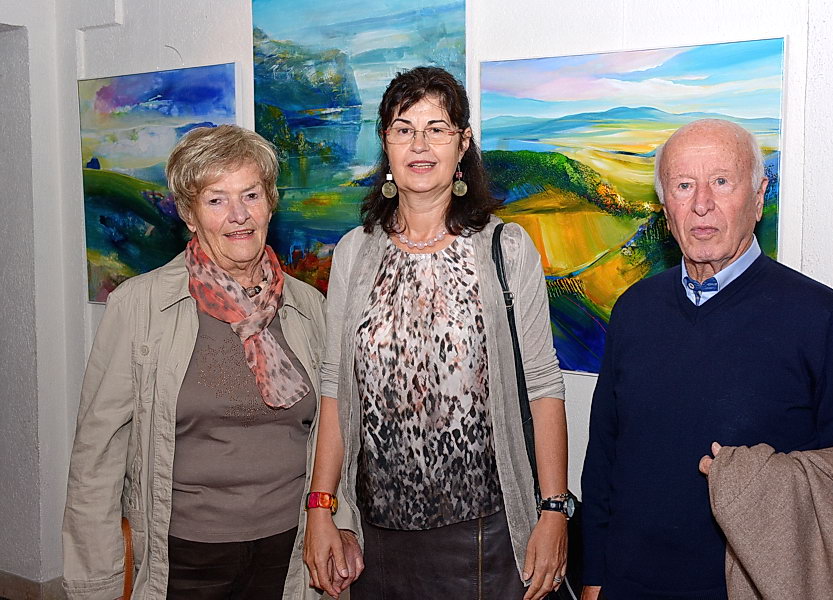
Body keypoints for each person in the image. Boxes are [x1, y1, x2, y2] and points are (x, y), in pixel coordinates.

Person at [580, 118, 833, 600]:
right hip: (631, 582)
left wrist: (761, 481)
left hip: (756, 587)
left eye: (721, 181)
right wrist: (595, 574)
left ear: (758, 196)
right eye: (683, 185)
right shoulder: (634, 308)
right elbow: (604, 454)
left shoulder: (822, 318)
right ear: (665, 207)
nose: (701, 203)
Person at [301, 66, 570, 600]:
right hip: (377, 540)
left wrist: (553, 510)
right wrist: (321, 508)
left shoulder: (506, 248)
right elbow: (335, 387)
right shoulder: (354, 252)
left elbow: (543, 387)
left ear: (462, 143)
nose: (419, 145)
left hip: (486, 536)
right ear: (386, 144)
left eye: (437, 129)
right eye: (404, 129)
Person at [62, 125, 341, 600]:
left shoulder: (308, 306)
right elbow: (97, 455)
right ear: (189, 215)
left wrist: (337, 519)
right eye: (216, 200)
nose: (239, 215)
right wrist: (96, 583)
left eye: (250, 195)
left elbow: (335, 429)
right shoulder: (140, 306)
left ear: (270, 202)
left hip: (291, 552)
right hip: (185, 557)